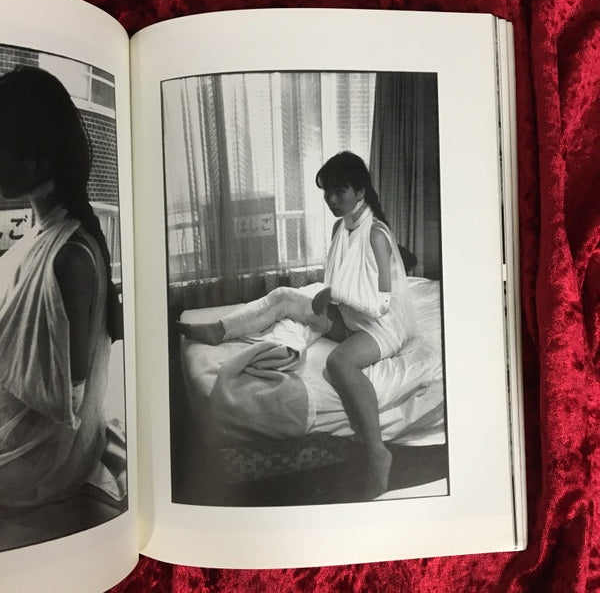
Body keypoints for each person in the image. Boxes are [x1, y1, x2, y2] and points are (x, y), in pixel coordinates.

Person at [179, 151, 417, 499]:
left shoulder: (377, 234)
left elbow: (381, 301)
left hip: (381, 325)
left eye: (340, 191)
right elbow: (339, 282)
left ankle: (377, 452)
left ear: (360, 191)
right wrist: (330, 295)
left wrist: (333, 294)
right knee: (283, 297)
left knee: (340, 363)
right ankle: (221, 330)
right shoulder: (342, 227)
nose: (332, 199)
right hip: (351, 315)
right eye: (327, 192)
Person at [0, 66, 123, 510]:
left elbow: (65, 399)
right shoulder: (37, 237)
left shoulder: (70, 258)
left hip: (43, 453)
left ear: (38, 162)